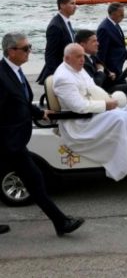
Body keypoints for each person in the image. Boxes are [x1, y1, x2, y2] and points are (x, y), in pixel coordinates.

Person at [0, 32, 84, 236]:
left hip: (14, 141)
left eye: (29, 47)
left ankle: (61, 222)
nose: (30, 51)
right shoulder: (1, 76)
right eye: (25, 48)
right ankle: (61, 222)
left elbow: (21, 101)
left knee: (34, 180)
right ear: (11, 51)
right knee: (35, 179)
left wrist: (40, 113)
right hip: (8, 142)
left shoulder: (15, 71)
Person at [53, 44, 127, 181]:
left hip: (89, 111)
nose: (82, 60)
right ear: (67, 58)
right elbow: (79, 107)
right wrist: (105, 105)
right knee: (120, 118)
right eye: (78, 57)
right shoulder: (63, 78)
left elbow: (92, 87)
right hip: (78, 121)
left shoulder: (77, 68)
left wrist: (108, 98)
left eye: (83, 56)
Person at [75, 29, 127, 124]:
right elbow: (96, 84)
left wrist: (109, 73)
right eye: (94, 41)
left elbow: (102, 65)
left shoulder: (91, 56)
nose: (98, 44)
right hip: (97, 93)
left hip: (104, 87)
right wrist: (100, 71)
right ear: (82, 45)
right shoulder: (82, 62)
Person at [37, 0, 77, 84]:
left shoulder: (66, 22)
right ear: (62, 5)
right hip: (59, 73)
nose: (75, 6)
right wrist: (57, 76)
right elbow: (50, 55)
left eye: (75, 3)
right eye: (72, 3)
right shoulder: (55, 26)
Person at [97, 3, 127, 77]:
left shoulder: (115, 24)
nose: (123, 16)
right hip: (111, 70)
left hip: (118, 67)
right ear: (113, 13)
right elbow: (101, 53)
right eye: (121, 14)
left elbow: (120, 44)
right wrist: (107, 72)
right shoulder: (104, 29)